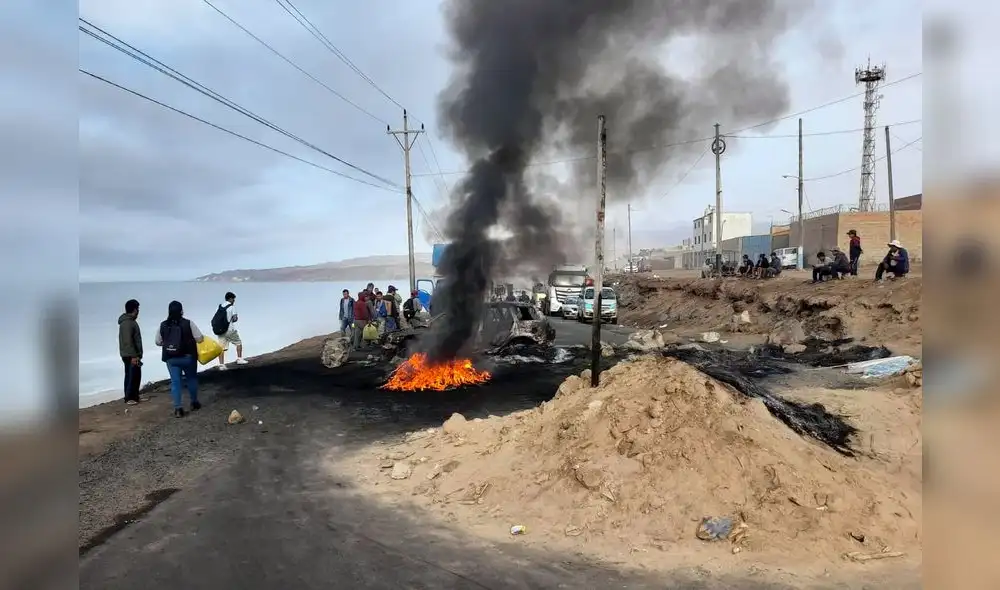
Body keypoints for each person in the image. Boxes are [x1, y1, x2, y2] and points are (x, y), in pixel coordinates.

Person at [155, 300, 205, 417]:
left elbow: (158, 341)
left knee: (175, 383)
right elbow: (199, 338)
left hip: (171, 359)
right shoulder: (188, 323)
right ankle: (194, 403)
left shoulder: (163, 325)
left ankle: (178, 409)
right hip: (188, 357)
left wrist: (168, 343)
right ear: (182, 311)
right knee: (191, 379)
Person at [118, 299, 143, 405]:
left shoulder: (130, 321)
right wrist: (134, 356)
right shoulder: (128, 323)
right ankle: (129, 398)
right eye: (137, 309)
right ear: (134, 310)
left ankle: (134, 396)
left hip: (130, 353)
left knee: (134, 375)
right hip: (130, 354)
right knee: (132, 376)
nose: (138, 311)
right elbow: (128, 341)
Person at [214, 291, 247, 370]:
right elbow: (235, 319)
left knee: (221, 348)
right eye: (234, 299)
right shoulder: (232, 307)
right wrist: (233, 319)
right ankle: (239, 359)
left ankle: (221, 365)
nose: (234, 301)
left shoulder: (220, 306)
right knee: (238, 343)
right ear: (230, 299)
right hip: (230, 329)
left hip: (220, 330)